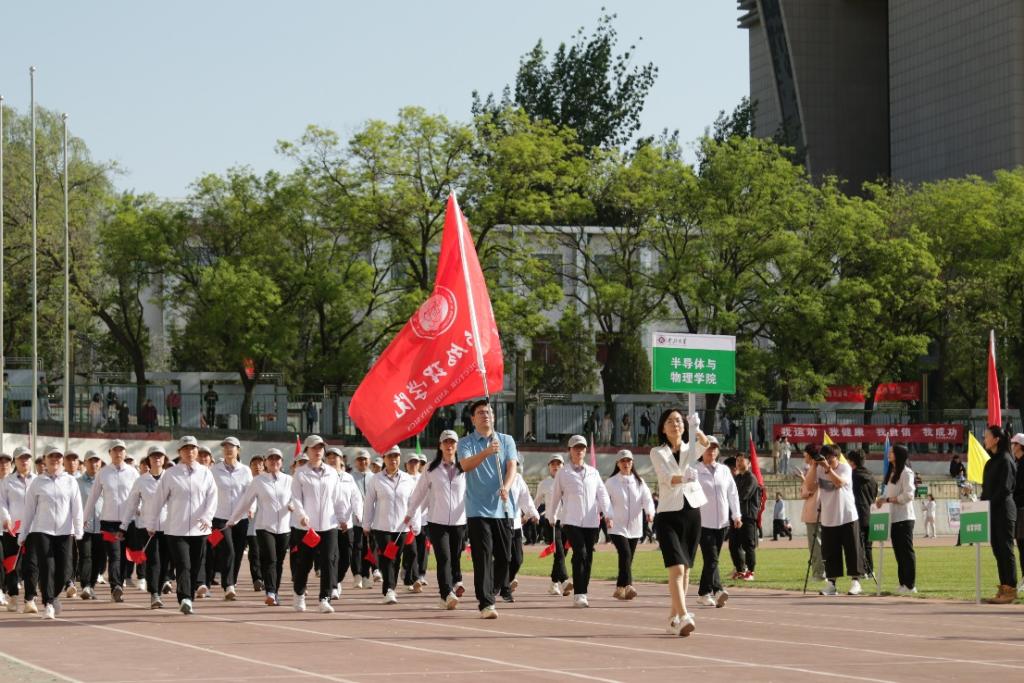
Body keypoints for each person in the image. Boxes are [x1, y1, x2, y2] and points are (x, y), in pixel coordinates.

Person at [457, 399, 519, 620]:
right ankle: (486, 603)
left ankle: (489, 590)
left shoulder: (506, 440)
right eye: (481, 413)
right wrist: (487, 451)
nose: (486, 415)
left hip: (502, 508)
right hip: (477, 510)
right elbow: (465, 465)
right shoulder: (465, 442)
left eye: (489, 412)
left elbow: (512, 466)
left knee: (505, 557)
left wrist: (506, 487)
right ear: (473, 419)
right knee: (482, 557)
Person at [650, 408, 709, 637]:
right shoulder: (657, 452)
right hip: (668, 514)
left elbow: (706, 444)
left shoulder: (689, 448)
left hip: (691, 512)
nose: (675, 424)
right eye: (670, 421)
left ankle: (673, 618)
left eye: (678, 420)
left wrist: (697, 428)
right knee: (676, 567)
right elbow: (666, 478)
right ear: (663, 428)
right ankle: (684, 616)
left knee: (686, 570)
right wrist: (684, 477)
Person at [148, 436, 218, 615]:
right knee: (183, 564)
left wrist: (207, 517)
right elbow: (158, 500)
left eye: (193, 448)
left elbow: (212, 497)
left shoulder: (205, 473)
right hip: (176, 530)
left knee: (195, 565)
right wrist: (151, 522)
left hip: (199, 529)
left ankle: (189, 597)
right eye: (185, 449)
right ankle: (185, 598)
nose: (190, 452)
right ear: (179, 452)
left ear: (197, 450)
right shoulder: (171, 474)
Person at [290, 435, 357, 614]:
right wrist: (301, 515)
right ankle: (299, 593)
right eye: (314, 447)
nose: (318, 451)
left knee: (329, 562)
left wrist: (342, 519)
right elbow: (296, 498)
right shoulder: (300, 473)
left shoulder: (332, 473)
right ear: (307, 450)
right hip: (307, 528)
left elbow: (337, 499)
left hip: (329, 525)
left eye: (320, 447)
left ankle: (324, 598)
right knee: (304, 563)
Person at [18, 445, 84, 620]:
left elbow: (77, 508)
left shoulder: (70, 481)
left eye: (58, 456)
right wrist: (23, 533)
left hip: (65, 532)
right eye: (51, 456)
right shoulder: (37, 482)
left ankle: (53, 596)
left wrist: (78, 531)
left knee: (65, 570)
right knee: (47, 567)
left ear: (62, 460)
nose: (55, 459)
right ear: (45, 459)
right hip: (42, 531)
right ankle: (48, 604)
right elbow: (29, 510)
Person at [546, 434, 611, 608]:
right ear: (570, 450)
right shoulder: (563, 473)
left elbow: (602, 494)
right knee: (580, 553)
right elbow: (555, 496)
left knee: (587, 556)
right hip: (571, 520)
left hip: (591, 521)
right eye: (576, 448)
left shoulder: (593, 472)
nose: (579, 451)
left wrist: (608, 514)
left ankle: (583, 590)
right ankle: (579, 594)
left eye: (582, 447)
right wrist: (552, 515)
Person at [405, 430, 466, 610]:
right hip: (437, 521)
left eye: (452, 442)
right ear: (440, 446)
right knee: (444, 557)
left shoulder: (464, 467)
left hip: (459, 522)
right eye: (446, 442)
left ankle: (447, 591)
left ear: (457, 446)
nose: (449, 446)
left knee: (454, 557)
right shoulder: (430, 468)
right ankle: (447, 593)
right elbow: (419, 492)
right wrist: (410, 512)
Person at [228, 448, 292, 606]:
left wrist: (293, 506)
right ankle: (270, 591)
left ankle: (275, 592)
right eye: (271, 459)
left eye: (277, 459)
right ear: (266, 462)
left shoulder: (289, 480)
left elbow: (296, 499)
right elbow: (246, 501)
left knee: (278, 561)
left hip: (284, 527)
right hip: (264, 526)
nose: (274, 461)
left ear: (281, 462)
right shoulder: (258, 481)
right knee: (270, 559)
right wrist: (233, 519)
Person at [83, 439, 139, 602]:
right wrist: (84, 518)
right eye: (115, 450)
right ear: (110, 453)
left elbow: (139, 493)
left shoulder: (133, 472)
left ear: (125, 453)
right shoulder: (103, 473)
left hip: (129, 522)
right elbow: (93, 497)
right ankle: (115, 586)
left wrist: (141, 508)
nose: (118, 453)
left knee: (124, 556)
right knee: (114, 555)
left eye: (121, 450)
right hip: (108, 522)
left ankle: (119, 584)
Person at [363, 445, 416, 605]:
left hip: (401, 527)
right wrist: (366, 524)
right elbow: (369, 503)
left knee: (396, 558)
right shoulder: (376, 479)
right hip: (382, 526)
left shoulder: (408, 479)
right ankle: (389, 590)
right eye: (390, 456)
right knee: (387, 558)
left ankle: (391, 587)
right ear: (384, 459)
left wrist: (415, 523)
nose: (393, 459)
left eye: (396, 456)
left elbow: (413, 503)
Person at [119, 445, 171, 608]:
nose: (157, 459)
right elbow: (132, 504)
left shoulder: (171, 478)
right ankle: (154, 593)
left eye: (160, 456)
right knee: (153, 560)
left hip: (169, 527)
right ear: (148, 459)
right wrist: (123, 526)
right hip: (147, 528)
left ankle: (159, 589)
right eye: (153, 456)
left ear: (164, 459)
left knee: (165, 561)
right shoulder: (141, 481)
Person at [812, 445, 864, 596]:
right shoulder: (819, 469)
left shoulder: (845, 467)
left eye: (830, 458)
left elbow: (839, 483)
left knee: (852, 550)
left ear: (837, 457)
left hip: (847, 516)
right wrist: (814, 466)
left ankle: (855, 582)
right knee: (830, 553)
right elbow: (809, 486)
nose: (827, 461)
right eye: (825, 458)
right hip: (828, 518)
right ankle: (831, 584)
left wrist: (827, 468)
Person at [695, 436, 740, 608]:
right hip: (702, 522)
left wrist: (736, 515)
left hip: (722, 522)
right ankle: (718, 590)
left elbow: (732, 493)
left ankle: (704, 593)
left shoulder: (724, 470)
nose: (711, 451)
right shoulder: (695, 470)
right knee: (712, 558)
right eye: (708, 447)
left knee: (711, 560)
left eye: (714, 448)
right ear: (701, 450)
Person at [604, 449, 654, 600]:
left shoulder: (639, 482)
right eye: (623, 461)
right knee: (625, 553)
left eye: (628, 461)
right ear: (617, 464)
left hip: (635, 527)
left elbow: (647, 499)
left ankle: (619, 588)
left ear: (632, 463)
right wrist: (608, 516)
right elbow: (604, 501)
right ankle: (628, 586)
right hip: (616, 526)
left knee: (628, 557)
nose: (626, 463)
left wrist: (650, 512)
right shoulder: (611, 482)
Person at [209, 436, 253, 601]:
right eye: (225, 447)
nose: (228, 449)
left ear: (238, 450)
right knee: (228, 550)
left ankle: (231, 582)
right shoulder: (214, 471)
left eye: (232, 447)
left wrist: (251, 508)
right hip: (220, 517)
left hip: (241, 517)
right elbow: (208, 493)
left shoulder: (245, 471)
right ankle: (228, 585)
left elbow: (250, 493)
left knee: (238, 552)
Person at [981, 425, 1018, 603]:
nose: (984, 439)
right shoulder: (990, 462)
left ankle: (1010, 589)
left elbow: (1005, 489)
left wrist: (988, 503)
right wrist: (982, 504)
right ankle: (1003, 588)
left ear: (996, 439)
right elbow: (986, 489)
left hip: (1004, 510)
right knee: (997, 550)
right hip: (992, 511)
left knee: (1005, 549)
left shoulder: (1006, 460)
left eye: (987, 436)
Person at [877, 444, 916, 594]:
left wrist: (889, 500)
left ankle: (910, 585)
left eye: (892, 452)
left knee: (906, 551)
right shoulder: (892, 472)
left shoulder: (906, 472)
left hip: (904, 518)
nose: (889, 454)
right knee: (898, 552)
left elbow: (909, 495)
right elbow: (887, 493)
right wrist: (881, 499)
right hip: (893, 518)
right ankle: (902, 583)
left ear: (899, 455)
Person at [534, 454, 570, 595]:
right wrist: (529, 515)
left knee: (562, 555)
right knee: (559, 553)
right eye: (553, 464)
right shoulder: (544, 484)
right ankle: (565, 582)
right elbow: (536, 502)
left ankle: (553, 584)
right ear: (549, 467)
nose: (556, 466)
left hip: (568, 522)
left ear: (563, 466)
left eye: (558, 464)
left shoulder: (569, 482)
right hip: (552, 523)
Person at [503, 466, 538, 602]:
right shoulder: (495, 476)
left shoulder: (517, 478)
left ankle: (501, 581)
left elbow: (525, 498)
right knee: (504, 558)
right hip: (500, 522)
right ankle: (505, 589)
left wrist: (533, 513)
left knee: (517, 559)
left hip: (515, 524)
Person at [728, 453, 761, 581]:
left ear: (749, 463)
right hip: (736, 516)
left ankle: (750, 571)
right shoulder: (736, 478)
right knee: (733, 545)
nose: (739, 463)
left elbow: (743, 495)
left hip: (747, 516)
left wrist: (731, 498)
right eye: (737, 460)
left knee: (748, 545)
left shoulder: (751, 478)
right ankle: (740, 570)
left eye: (742, 460)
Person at [848, 450, 878, 577]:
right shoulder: (872, 477)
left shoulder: (852, 476)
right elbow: (875, 495)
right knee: (868, 545)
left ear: (852, 462)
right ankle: (870, 570)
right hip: (871, 513)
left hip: (857, 513)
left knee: (857, 545)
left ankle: (862, 571)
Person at [349, 449, 373, 590]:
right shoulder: (350, 477)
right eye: (359, 459)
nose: (362, 462)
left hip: (371, 519)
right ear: (355, 462)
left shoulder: (374, 477)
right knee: (357, 547)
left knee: (368, 548)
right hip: (355, 519)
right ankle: (357, 574)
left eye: (365, 459)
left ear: (369, 461)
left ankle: (366, 575)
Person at [246, 455, 265, 592]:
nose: (257, 467)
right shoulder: (247, 482)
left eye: (260, 464)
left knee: (265, 553)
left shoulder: (267, 482)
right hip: (250, 525)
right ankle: (257, 578)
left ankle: (265, 577)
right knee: (254, 553)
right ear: (250, 467)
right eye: (254, 464)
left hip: (265, 525)